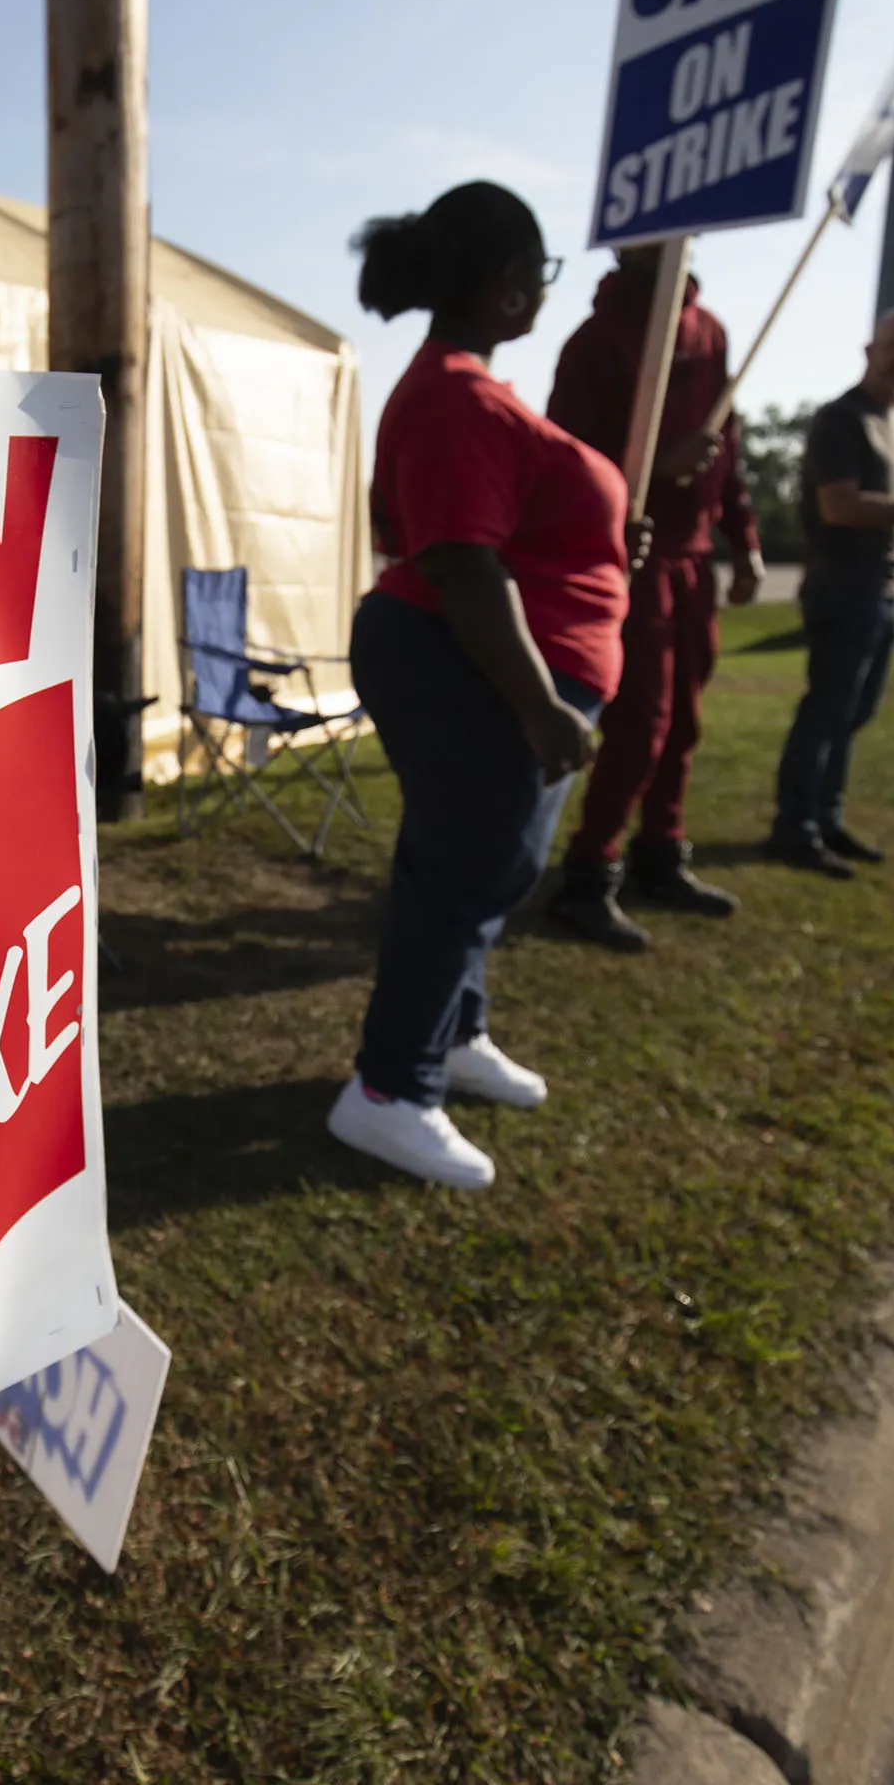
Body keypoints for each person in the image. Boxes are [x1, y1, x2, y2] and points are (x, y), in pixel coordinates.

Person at [328, 182, 631, 1189]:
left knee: (478, 864)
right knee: (466, 868)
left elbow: (514, 535)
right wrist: (540, 701)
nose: (545, 294)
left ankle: (453, 1034)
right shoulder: (457, 394)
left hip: (475, 653)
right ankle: (389, 1088)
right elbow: (460, 560)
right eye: (542, 277)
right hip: (463, 655)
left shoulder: (464, 389)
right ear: (509, 287)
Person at [542, 242, 763, 952]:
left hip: (694, 557)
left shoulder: (709, 331)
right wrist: (648, 468)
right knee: (640, 722)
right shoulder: (596, 340)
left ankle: (661, 852)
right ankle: (589, 870)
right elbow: (564, 459)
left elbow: (725, 444)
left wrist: (743, 537)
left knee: (686, 718)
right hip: (629, 556)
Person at [766, 306, 894, 879]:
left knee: (855, 714)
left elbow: (887, 525)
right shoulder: (842, 419)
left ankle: (826, 817)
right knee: (826, 710)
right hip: (840, 588)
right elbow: (841, 506)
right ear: (870, 350)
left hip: (882, 589)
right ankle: (794, 827)